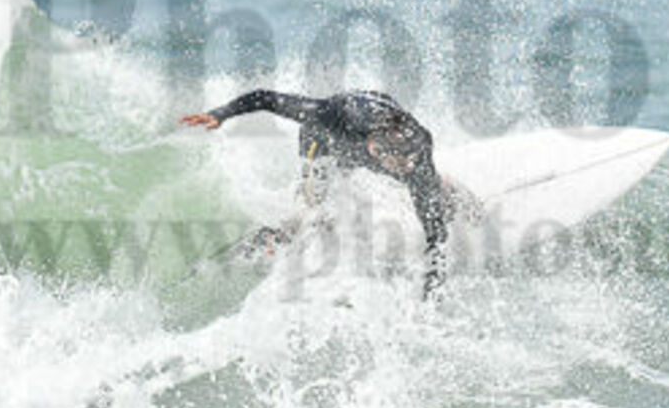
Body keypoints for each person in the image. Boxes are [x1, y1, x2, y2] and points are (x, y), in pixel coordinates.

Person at [180, 89, 463, 296]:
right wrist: (220, 114)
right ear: (374, 149)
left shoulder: (418, 150)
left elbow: (436, 239)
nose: (406, 168)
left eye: (409, 160)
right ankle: (259, 244)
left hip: (384, 122)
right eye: (398, 163)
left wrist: (432, 289)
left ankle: (454, 193)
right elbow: (265, 98)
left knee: (430, 195)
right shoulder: (331, 116)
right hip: (320, 143)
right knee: (311, 218)